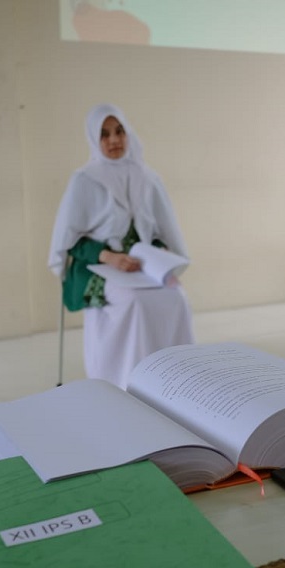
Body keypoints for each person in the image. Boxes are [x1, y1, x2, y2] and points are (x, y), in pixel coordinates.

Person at [48, 103, 194, 389]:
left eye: (119, 131)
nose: (114, 140)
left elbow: (158, 230)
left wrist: (158, 250)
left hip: (141, 265)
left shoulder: (147, 177)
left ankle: (175, 384)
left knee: (177, 297)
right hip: (97, 265)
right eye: (104, 134)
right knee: (135, 302)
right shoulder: (84, 180)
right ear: (94, 139)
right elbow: (71, 242)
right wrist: (109, 257)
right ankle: (129, 383)